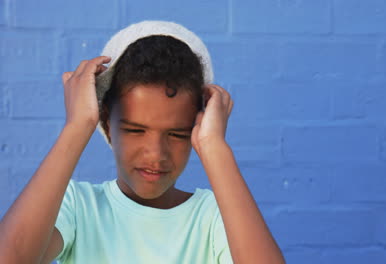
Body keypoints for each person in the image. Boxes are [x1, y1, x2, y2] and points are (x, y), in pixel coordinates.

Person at [0, 21, 285, 263]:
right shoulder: (76, 207)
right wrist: (76, 126)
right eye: (135, 130)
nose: (156, 154)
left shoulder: (216, 216)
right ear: (106, 124)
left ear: (197, 129)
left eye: (177, 134)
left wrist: (215, 147)